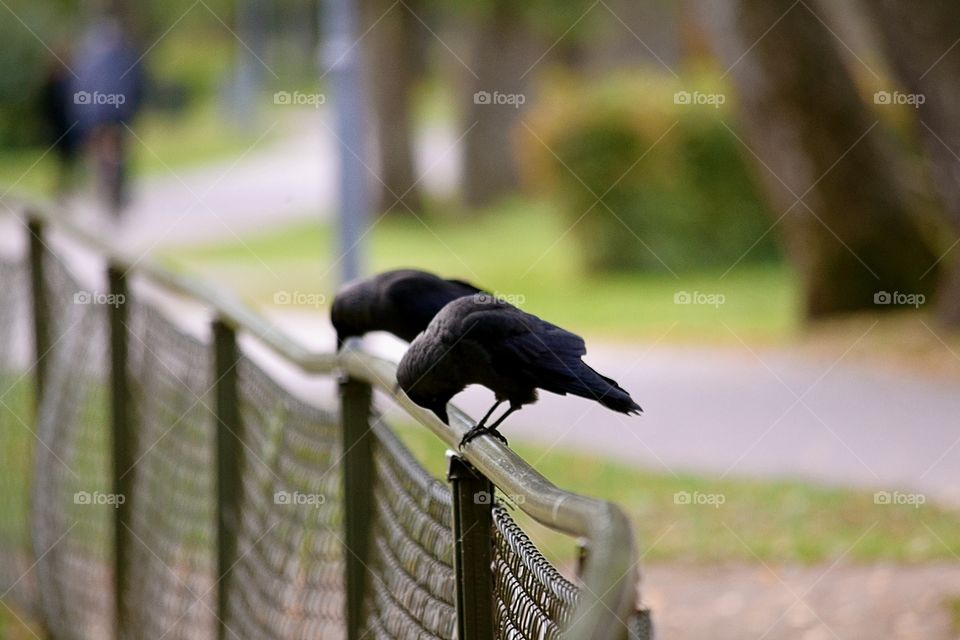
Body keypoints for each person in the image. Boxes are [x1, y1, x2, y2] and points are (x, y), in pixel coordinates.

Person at [70, 17, 145, 216]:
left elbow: (79, 86)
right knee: (114, 151)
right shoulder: (122, 56)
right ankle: (112, 189)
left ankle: (104, 188)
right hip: (115, 112)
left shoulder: (87, 58)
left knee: (101, 153)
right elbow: (134, 83)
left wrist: (82, 115)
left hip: (95, 113)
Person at [38, 53, 81, 201]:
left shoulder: (69, 81)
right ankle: (61, 189)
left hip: (69, 127)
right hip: (59, 128)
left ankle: (68, 187)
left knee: (69, 159)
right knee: (61, 160)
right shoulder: (53, 84)